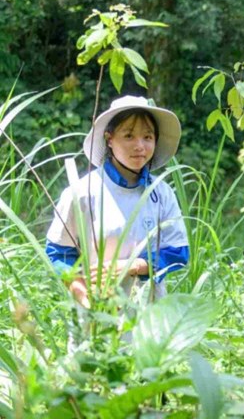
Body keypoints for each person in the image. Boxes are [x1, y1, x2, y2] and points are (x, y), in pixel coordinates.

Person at [45, 95, 190, 306]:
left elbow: (178, 251)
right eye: (129, 136)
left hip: (150, 319)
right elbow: (58, 253)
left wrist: (134, 265)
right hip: (97, 318)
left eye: (147, 137)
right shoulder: (82, 192)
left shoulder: (162, 193)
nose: (139, 146)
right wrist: (82, 294)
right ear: (109, 139)